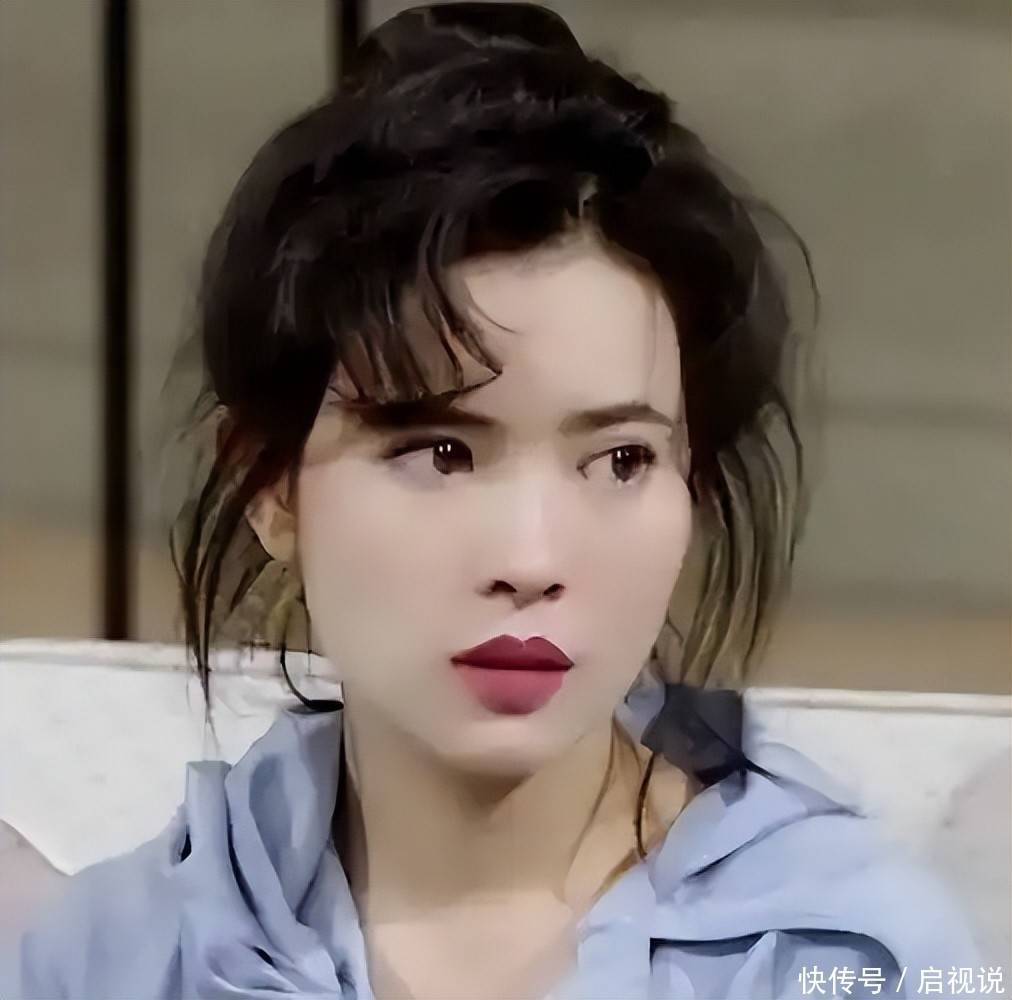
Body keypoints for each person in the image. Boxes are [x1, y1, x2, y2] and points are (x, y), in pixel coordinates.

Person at [18, 4, 978, 998]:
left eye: (619, 461)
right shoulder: (115, 960)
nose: (530, 558)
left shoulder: (854, 960)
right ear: (267, 481)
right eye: (440, 453)